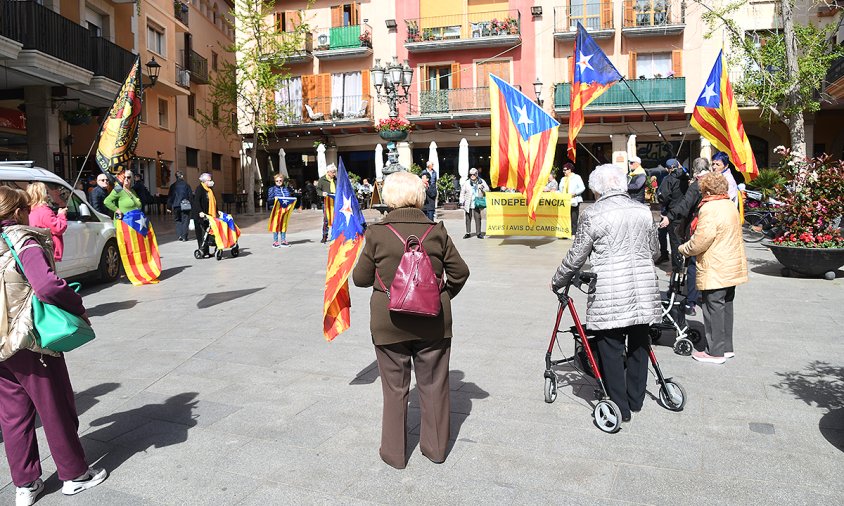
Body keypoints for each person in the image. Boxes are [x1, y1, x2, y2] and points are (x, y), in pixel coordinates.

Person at [352, 171, 470, 469]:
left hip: (388, 321)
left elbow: (361, 278)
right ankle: (435, 450)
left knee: (394, 390)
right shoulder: (437, 230)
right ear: (419, 196)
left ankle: (394, 454)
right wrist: (439, 296)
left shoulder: (377, 232)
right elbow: (460, 273)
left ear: (389, 197)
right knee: (434, 386)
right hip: (433, 321)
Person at [0, 186, 107, 506]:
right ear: (18, 212)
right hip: (30, 341)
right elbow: (46, 286)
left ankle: (25, 484)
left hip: (1, 344)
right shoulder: (21, 239)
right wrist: (76, 304)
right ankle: (75, 475)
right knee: (56, 407)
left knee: (13, 416)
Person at [550, 164, 661, 422]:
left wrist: (558, 279)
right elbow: (655, 251)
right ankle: (636, 400)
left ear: (597, 189)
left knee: (609, 345)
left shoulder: (593, 214)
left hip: (611, 292)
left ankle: (619, 406)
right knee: (639, 342)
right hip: (643, 288)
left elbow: (577, 255)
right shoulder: (643, 211)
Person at [678, 172, 748, 364]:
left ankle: (714, 352)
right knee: (726, 306)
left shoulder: (710, 208)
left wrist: (683, 249)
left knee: (712, 307)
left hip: (716, 264)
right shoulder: (728, 204)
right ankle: (726, 348)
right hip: (730, 263)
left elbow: (701, 240)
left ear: (706, 189)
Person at [660, 157, 710, 315]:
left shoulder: (697, 185)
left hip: (697, 226)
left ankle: (691, 302)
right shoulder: (716, 181)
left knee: (693, 263)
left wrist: (670, 216)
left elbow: (685, 204)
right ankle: (706, 295)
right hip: (716, 227)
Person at [657, 158, 690, 271]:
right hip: (685, 212)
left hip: (673, 212)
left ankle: (677, 269)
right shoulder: (686, 177)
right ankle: (685, 265)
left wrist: (662, 201)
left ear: (668, 169)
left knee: (675, 241)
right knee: (685, 239)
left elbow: (663, 196)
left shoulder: (669, 179)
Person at [25, 182, 67, 261]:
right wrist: (61, 215)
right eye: (46, 192)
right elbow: (58, 228)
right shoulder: (44, 211)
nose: (48, 195)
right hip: (47, 250)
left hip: (36, 249)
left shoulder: (29, 210)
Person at [459, 168, 490, 239]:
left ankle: (478, 233)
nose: (472, 176)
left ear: (476, 174)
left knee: (478, 218)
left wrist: (482, 188)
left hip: (477, 202)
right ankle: (468, 233)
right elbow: (462, 192)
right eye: (471, 174)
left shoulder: (481, 181)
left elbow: (487, 190)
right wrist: (461, 202)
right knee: (467, 218)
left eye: (474, 174)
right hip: (468, 202)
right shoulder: (467, 182)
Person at [192, 173, 217, 257]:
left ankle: (206, 251)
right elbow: (196, 202)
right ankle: (202, 250)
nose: (211, 182)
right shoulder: (200, 189)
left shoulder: (210, 190)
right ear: (205, 181)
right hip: (200, 216)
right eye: (209, 180)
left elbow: (213, 202)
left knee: (207, 233)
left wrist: (217, 211)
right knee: (201, 234)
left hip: (208, 215)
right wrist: (200, 211)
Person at [267, 173, 293, 247]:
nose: (279, 182)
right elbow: (269, 200)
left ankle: (283, 240)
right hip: (276, 210)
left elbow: (289, 198)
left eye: (280, 180)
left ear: (283, 181)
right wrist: (274, 199)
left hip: (285, 210)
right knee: (276, 225)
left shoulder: (286, 189)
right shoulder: (272, 189)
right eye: (277, 181)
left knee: (283, 224)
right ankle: (275, 241)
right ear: (275, 181)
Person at [166, 170, 193, 242]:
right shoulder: (186, 185)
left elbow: (170, 197)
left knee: (178, 220)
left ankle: (180, 235)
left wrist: (169, 207)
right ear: (182, 176)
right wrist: (192, 206)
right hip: (185, 205)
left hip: (176, 205)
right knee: (185, 220)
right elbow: (190, 196)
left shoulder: (173, 186)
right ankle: (184, 236)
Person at [559, 163, 585, 234]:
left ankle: (574, 233)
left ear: (570, 170)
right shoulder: (563, 179)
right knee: (565, 217)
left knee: (574, 217)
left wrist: (575, 193)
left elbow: (582, 187)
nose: (563, 171)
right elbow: (560, 190)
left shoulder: (577, 177)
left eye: (565, 170)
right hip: (564, 200)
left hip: (574, 200)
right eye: (563, 170)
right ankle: (565, 232)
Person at [317, 165, 337, 243]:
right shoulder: (322, 179)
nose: (334, 174)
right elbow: (318, 189)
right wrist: (322, 193)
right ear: (328, 172)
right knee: (326, 219)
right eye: (333, 172)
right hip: (326, 202)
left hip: (335, 201)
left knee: (335, 219)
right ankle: (325, 236)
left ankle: (335, 235)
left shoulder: (336, 180)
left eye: (335, 172)